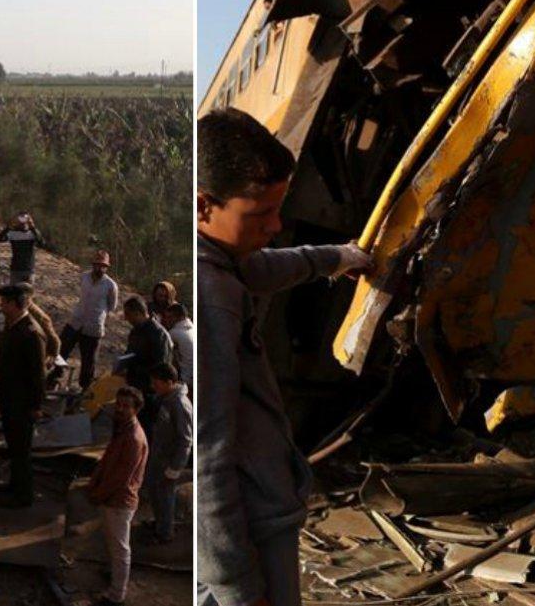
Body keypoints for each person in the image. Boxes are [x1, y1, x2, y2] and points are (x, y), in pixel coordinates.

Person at [196, 108, 372, 606]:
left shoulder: (222, 260)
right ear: (203, 206)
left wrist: (338, 258)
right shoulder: (211, 297)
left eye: (279, 208)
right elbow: (209, 456)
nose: (276, 225)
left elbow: (264, 267)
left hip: (255, 514)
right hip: (249, 529)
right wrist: (235, 584)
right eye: (259, 214)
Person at [86, 386, 149, 606]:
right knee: (114, 544)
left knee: (121, 549)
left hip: (119, 500)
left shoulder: (133, 438)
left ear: (136, 409)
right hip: (111, 497)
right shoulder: (122, 428)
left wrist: (98, 493)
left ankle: (116, 594)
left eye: (125, 406)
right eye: (118, 404)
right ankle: (113, 576)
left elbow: (121, 478)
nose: (120, 409)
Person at [0, 283, 47, 508]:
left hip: (22, 404)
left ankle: (24, 496)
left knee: (21, 450)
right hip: (9, 399)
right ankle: (14, 484)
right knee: (13, 446)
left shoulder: (31, 333)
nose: (1, 305)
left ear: (16, 304)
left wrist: (36, 406)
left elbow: (38, 375)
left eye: (5, 302)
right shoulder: (13, 325)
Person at [143, 364, 192, 545]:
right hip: (158, 456)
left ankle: (165, 533)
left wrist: (175, 467)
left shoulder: (180, 404)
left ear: (169, 382)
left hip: (168, 461)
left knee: (165, 497)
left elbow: (186, 439)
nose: (153, 386)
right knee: (155, 493)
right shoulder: (166, 398)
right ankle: (159, 524)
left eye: (156, 383)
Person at [60, 250, 119, 391]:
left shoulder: (111, 285)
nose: (100, 268)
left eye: (103, 266)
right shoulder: (84, 277)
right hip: (76, 321)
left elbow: (112, 306)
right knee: (62, 351)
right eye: (98, 265)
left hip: (93, 327)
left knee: (89, 362)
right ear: (93, 265)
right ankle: (55, 376)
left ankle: (84, 390)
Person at [117, 296, 172, 435]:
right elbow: (131, 352)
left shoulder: (158, 334)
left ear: (138, 313)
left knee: (144, 430)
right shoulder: (136, 331)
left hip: (149, 392)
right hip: (134, 386)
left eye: (128, 314)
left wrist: (137, 371)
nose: (126, 318)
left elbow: (160, 367)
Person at [0, 213, 45, 284]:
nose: (23, 224)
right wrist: (8, 227)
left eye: (26, 221)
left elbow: (42, 243)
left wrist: (33, 227)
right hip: (16, 269)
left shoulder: (32, 234)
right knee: (15, 292)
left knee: (27, 291)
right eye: (20, 221)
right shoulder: (12, 234)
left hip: (29, 269)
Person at [161, 303, 195, 392]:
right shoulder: (192, 328)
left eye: (170, 317)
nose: (167, 320)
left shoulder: (175, 332)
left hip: (186, 379)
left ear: (180, 317)